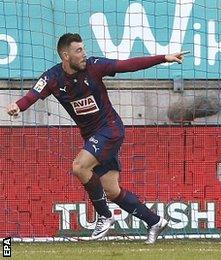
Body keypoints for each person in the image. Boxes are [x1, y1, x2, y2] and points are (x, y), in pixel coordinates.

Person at [5, 33, 187, 244]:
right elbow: (32, 95)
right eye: (78, 50)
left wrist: (163, 58)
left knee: (79, 167)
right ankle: (155, 221)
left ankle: (105, 216)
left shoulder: (95, 66)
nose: (84, 54)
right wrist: (17, 106)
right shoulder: (52, 77)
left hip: (110, 130)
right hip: (92, 137)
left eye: (84, 49)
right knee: (112, 190)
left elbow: (128, 65)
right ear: (65, 55)